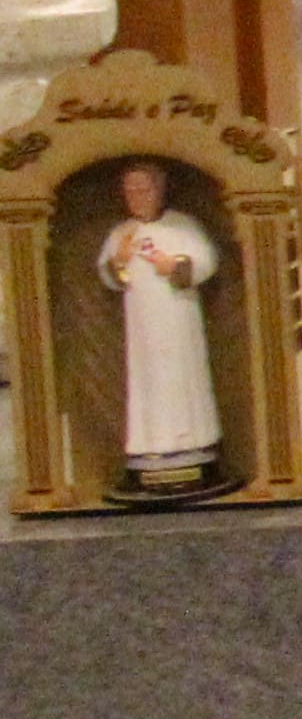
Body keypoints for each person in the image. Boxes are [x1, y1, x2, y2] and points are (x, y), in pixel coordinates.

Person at [97, 158, 229, 498]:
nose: (136, 196)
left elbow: (205, 261)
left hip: (178, 319)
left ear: (159, 190)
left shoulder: (181, 226)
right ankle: (149, 449)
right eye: (130, 190)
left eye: (143, 189)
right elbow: (109, 274)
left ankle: (193, 446)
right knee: (148, 382)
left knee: (182, 379)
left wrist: (176, 266)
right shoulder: (123, 233)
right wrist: (119, 260)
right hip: (141, 326)